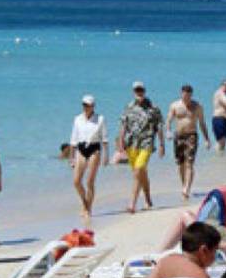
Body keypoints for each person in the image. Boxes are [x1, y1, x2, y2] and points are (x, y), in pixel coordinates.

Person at [158, 184, 226, 251]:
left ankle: (161, 253)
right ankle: (161, 253)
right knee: (186, 215)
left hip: (218, 241)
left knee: (184, 216)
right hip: (225, 237)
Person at [119, 81, 165, 213]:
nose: (139, 93)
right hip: (131, 144)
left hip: (147, 142)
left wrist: (161, 144)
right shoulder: (128, 107)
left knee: (139, 170)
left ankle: (131, 204)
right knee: (141, 173)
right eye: (137, 90)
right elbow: (123, 125)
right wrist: (120, 143)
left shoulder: (153, 108)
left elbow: (159, 127)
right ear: (133, 92)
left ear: (145, 91)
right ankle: (148, 199)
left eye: (141, 90)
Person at [145, 222, 221, 278]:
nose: (215, 257)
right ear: (204, 250)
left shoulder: (165, 262)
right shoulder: (201, 277)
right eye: (215, 251)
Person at [165, 84, 211, 201]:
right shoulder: (175, 105)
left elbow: (202, 123)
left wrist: (207, 139)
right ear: (181, 94)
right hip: (178, 136)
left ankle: (187, 189)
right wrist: (168, 131)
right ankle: (184, 185)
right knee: (180, 164)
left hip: (191, 136)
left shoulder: (197, 106)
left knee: (189, 163)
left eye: (189, 95)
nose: (187, 98)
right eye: (185, 95)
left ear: (191, 95)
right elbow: (169, 120)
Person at [69, 94, 109, 221]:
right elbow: (73, 139)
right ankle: (85, 202)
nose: (86, 107)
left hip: (94, 149)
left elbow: (104, 139)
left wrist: (106, 155)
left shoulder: (100, 119)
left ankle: (88, 208)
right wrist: (71, 157)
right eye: (84, 105)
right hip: (81, 149)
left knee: (90, 181)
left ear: (93, 106)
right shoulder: (77, 119)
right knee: (76, 181)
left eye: (89, 105)